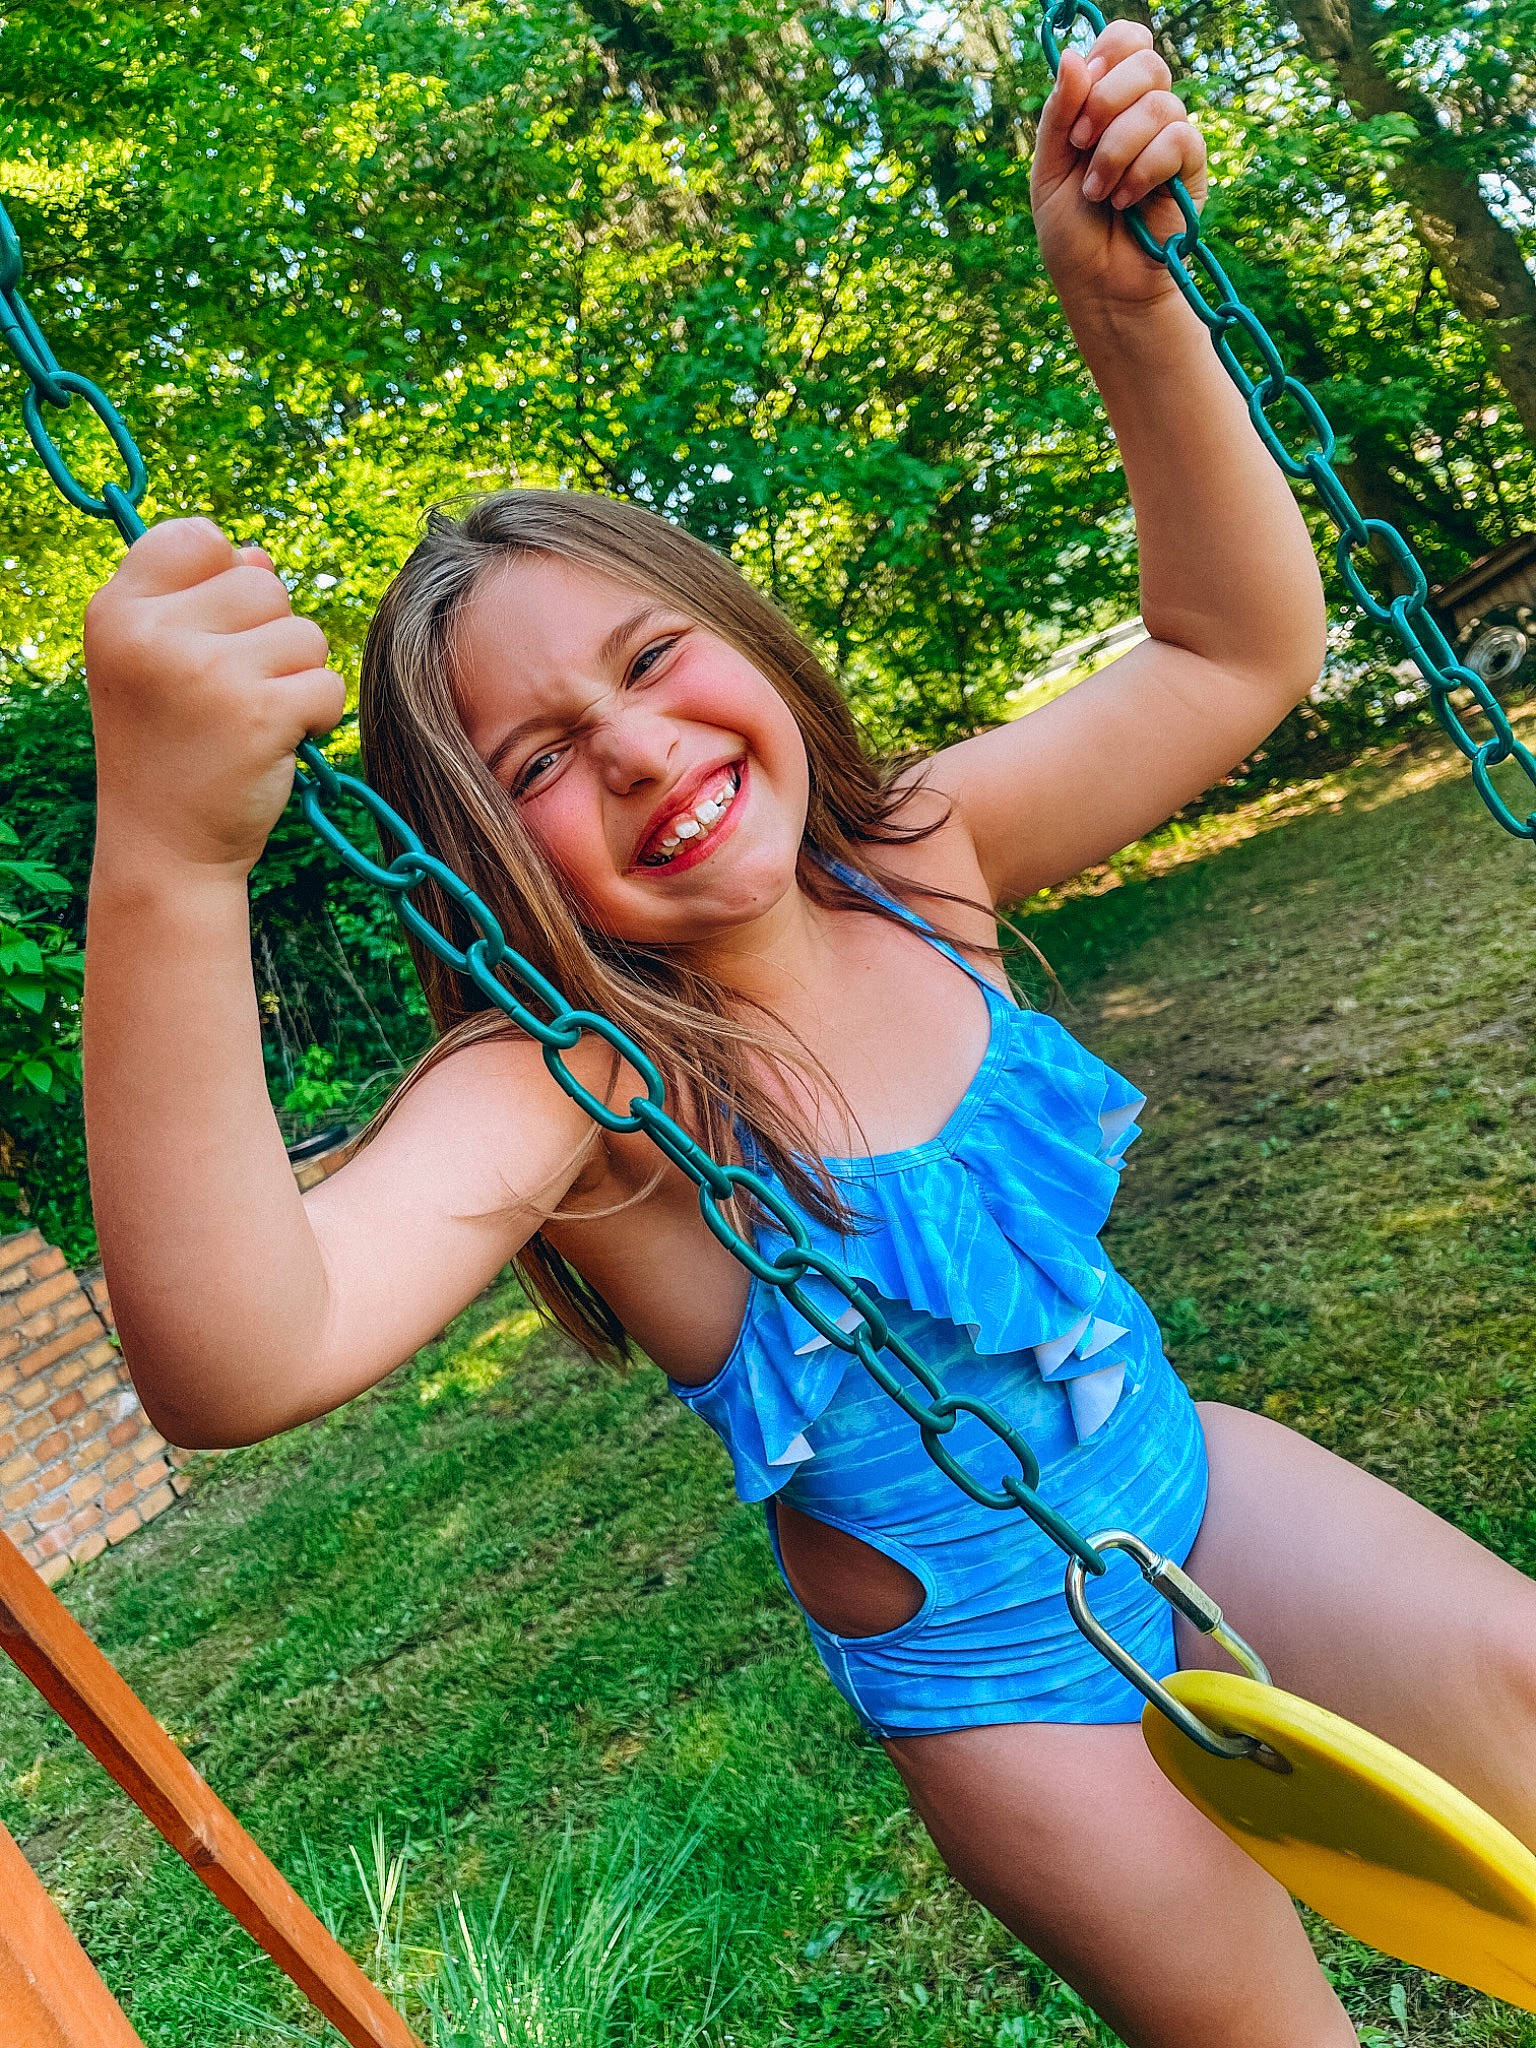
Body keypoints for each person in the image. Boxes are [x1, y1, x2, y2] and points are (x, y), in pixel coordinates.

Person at [79, 23, 1536, 2047]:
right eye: (545, 759)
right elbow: (236, 1355)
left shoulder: (919, 861)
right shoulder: (583, 1093)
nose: (649, 750)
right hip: (1007, 1684)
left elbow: (1237, 651)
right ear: (496, 862)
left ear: (747, 640)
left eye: (656, 659)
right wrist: (166, 858)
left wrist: (1130, 314)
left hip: (1187, 1478)